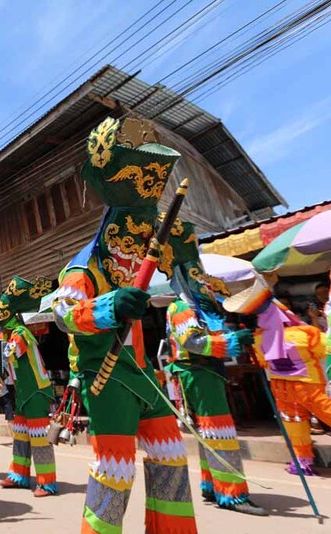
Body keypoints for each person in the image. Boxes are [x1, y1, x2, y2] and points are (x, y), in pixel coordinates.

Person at [51, 117, 197, 533]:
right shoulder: (85, 267)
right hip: (107, 377)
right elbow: (63, 316)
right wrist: (109, 305)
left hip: (144, 376)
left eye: (143, 239)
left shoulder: (138, 262)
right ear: (112, 230)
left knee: (171, 456)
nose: (136, 249)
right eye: (129, 238)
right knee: (115, 472)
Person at [161, 220, 267, 515]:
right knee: (220, 431)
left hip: (205, 372)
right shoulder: (181, 308)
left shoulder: (200, 308)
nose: (204, 283)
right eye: (197, 276)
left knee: (211, 431)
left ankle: (212, 485)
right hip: (197, 372)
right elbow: (193, 342)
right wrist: (231, 341)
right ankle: (232, 494)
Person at [224, 275, 331, 475]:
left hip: (283, 386)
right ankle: (301, 459)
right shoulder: (306, 333)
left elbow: (262, 361)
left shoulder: (259, 338)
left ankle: (302, 460)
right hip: (303, 384)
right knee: (306, 418)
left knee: (294, 422)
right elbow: (323, 349)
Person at [0, 275, 58, 497]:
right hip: (23, 393)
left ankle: (47, 482)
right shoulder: (13, 334)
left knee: (39, 437)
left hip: (36, 392)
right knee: (21, 434)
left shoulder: (20, 334)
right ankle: (19, 475)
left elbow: (7, 356)